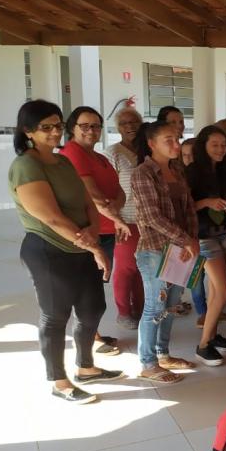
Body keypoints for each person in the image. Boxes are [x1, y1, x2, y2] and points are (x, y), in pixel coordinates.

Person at [9, 100, 124, 404]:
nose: (54, 132)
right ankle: (58, 381)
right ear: (28, 131)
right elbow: (50, 216)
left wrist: (93, 233)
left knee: (92, 309)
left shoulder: (63, 162)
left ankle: (86, 367)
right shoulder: (25, 165)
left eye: (57, 125)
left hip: (81, 246)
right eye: (46, 127)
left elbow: (87, 201)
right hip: (49, 250)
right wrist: (93, 245)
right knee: (55, 316)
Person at [132, 121, 199, 383]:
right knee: (154, 306)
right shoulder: (143, 173)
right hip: (154, 250)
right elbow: (152, 216)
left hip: (180, 250)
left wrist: (191, 240)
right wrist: (185, 240)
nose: (176, 144)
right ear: (151, 144)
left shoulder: (177, 171)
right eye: (168, 140)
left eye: (177, 139)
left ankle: (162, 354)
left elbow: (190, 209)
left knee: (171, 305)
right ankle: (148, 363)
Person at [60, 106, 129, 354]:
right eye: (85, 126)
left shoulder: (99, 157)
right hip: (90, 231)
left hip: (107, 228)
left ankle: (94, 333)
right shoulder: (73, 153)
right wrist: (115, 215)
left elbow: (119, 191)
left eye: (96, 126)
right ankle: (90, 341)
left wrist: (115, 210)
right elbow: (94, 197)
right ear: (72, 128)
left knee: (95, 287)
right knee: (87, 289)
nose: (92, 130)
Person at [186, 125, 226, 366]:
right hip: (204, 236)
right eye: (215, 145)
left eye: (223, 145)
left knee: (217, 291)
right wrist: (207, 201)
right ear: (203, 146)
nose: (220, 149)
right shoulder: (192, 172)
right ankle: (204, 344)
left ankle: (214, 335)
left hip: (225, 233)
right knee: (225, 290)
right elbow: (185, 208)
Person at [105, 107, 145, 331]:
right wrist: (114, 219)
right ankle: (123, 312)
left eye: (134, 122)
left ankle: (140, 309)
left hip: (147, 220)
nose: (130, 127)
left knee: (142, 268)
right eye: (124, 123)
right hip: (125, 221)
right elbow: (108, 190)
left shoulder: (145, 150)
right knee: (126, 268)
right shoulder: (113, 154)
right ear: (118, 128)